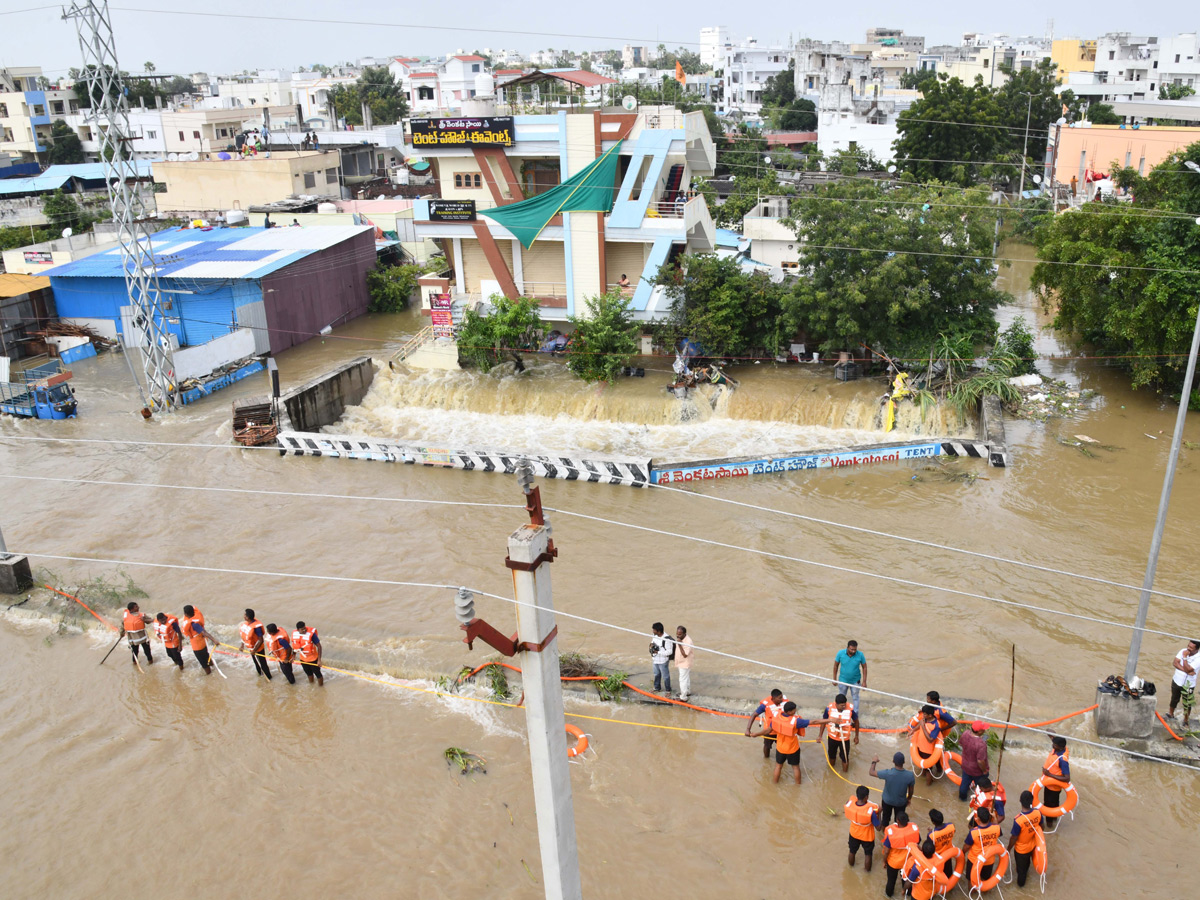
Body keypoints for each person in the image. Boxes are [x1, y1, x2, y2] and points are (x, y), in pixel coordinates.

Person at [748, 701, 829, 784]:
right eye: (794, 710)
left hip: (780, 748)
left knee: (778, 766)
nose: (795, 711)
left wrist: (756, 734)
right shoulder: (796, 721)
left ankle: (774, 783)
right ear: (789, 712)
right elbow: (814, 722)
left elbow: (768, 730)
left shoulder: (776, 717)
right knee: (795, 767)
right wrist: (831, 720)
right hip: (792, 749)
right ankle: (798, 786)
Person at [1006, 790, 1043, 888]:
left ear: (1020, 801)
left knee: (1021, 871)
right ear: (1032, 801)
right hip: (1033, 846)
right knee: (1026, 865)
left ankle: (1020, 887)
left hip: (1021, 850)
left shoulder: (1018, 820)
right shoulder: (1038, 812)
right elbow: (1041, 828)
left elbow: (1014, 837)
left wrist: (1008, 848)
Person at [881, 810, 921, 898]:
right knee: (906, 879)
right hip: (908, 862)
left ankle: (888, 896)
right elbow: (917, 843)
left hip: (894, 863)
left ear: (897, 821)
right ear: (907, 821)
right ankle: (907, 894)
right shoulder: (914, 831)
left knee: (891, 881)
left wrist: (884, 861)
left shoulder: (891, 834)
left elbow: (886, 851)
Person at [870, 752, 915, 827]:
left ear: (893, 761)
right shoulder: (910, 775)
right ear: (904, 762)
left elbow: (871, 772)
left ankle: (884, 832)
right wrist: (909, 799)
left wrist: (874, 761)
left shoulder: (888, 773)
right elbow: (911, 790)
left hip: (887, 801)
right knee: (899, 822)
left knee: (885, 820)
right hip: (901, 803)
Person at [819, 693, 860, 772]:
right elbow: (823, 722)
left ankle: (845, 774)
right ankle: (831, 772)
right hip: (832, 737)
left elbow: (857, 722)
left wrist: (856, 736)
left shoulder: (850, 710)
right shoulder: (828, 709)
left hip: (844, 738)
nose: (844, 707)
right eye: (841, 705)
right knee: (831, 756)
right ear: (836, 704)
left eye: (844, 705)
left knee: (845, 758)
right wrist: (820, 735)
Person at [962, 806, 1002, 886]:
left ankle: (972, 893)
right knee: (985, 880)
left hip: (974, 861)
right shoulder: (997, 828)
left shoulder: (973, 832)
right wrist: (995, 818)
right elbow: (998, 830)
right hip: (989, 860)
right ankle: (984, 892)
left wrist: (962, 853)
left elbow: (966, 847)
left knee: (972, 881)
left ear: (978, 819)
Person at [845, 785, 881, 871]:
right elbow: (879, 828)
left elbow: (848, 803)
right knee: (868, 854)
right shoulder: (871, 812)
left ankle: (850, 869)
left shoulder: (850, 805)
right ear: (866, 797)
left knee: (852, 851)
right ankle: (867, 872)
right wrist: (879, 813)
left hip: (854, 834)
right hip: (867, 837)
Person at [745, 689, 788, 759]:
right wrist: (748, 729)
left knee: (783, 747)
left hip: (781, 731)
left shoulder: (785, 703)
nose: (782, 699)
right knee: (767, 746)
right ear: (773, 698)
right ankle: (766, 760)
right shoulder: (764, 705)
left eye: (782, 697)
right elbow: (754, 715)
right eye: (780, 698)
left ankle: (781, 761)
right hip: (769, 731)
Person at [1168, 639, 1200, 725]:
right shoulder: (1183, 650)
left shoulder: (1198, 658)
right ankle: (1170, 714)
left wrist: (1185, 658)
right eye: (1188, 646)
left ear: (1196, 649)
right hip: (1177, 680)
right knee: (1174, 698)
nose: (1188, 648)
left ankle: (1185, 720)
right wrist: (1186, 671)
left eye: (1191, 648)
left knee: (1187, 703)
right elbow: (1175, 663)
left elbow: (1189, 668)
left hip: (1189, 685)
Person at [958, 721, 991, 801]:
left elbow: (960, 743)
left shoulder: (965, 733)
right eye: (983, 729)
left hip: (965, 765)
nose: (984, 730)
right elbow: (980, 761)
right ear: (979, 731)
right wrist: (984, 771)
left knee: (964, 783)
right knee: (980, 786)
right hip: (977, 771)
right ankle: (979, 801)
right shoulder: (981, 744)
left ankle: (962, 799)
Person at [832, 640, 867, 712]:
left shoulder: (860, 654)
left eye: (855, 649)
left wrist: (864, 682)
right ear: (847, 647)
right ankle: (840, 712)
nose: (853, 651)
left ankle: (855, 713)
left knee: (855, 697)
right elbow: (835, 666)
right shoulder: (840, 653)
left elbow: (865, 667)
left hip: (855, 681)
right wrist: (834, 679)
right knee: (841, 697)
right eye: (851, 649)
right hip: (843, 680)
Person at [912, 706, 943, 785]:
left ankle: (928, 785)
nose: (923, 715)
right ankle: (923, 779)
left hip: (927, 751)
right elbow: (920, 724)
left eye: (924, 714)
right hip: (920, 746)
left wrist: (923, 726)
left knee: (928, 769)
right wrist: (913, 731)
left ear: (930, 715)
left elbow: (930, 740)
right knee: (923, 767)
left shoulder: (936, 725)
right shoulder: (925, 719)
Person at [180, 605, 216, 675]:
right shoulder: (196, 620)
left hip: (197, 647)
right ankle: (213, 667)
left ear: (185, 614)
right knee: (206, 656)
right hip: (202, 643)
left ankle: (209, 675)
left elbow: (204, 632)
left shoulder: (193, 624)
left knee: (204, 663)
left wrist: (214, 640)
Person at [1039, 736, 1070, 812]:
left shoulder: (1063, 760)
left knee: (1050, 806)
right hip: (1048, 783)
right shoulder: (1060, 748)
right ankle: (1051, 816)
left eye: (1054, 745)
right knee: (1049, 803)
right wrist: (1051, 734)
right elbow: (1052, 735)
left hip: (1053, 788)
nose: (1052, 745)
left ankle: (1050, 819)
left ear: (1060, 747)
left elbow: (1067, 778)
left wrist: (1049, 774)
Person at [238, 609, 271, 680]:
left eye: (245, 615)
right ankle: (260, 676)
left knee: (263, 664)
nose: (243, 616)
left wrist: (254, 650)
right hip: (251, 648)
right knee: (256, 662)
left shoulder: (257, 627)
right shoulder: (246, 624)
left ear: (247, 617)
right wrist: (242, 646)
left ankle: (268, 677)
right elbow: (244, 635)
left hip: (258, 649)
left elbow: (261, 640)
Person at [120, 601, 153, 666]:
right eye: (136, 607)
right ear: (132, 609)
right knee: (147, 651)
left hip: (133, 639)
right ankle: (150, 662)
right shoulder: (141, 615)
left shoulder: (128, 616)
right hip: (142, 638)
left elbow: (122, 625)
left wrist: (121, 633)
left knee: (135, 652)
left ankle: (135, 663)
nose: (138, 607)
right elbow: (149, 621)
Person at [927, 808, 956, 879]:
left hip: (938, 857)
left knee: (939, 875)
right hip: (949, 854)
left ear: (933, 822)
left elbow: (930, 848)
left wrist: (931, 832)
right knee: (949, 873)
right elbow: (952, 832)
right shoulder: (951, 826)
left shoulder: (931, 835)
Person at [292, 621, 323, 685]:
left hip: (313, 659)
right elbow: (295, 646)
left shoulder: (312, 635)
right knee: (309, 674)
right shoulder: (295, 635)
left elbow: (319, 646)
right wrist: (293, 656)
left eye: (305, 628)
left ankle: (321, 687)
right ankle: (311, 685)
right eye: (302, 629)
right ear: (298, 630)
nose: (304, 630)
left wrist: (319, 660)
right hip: (303, 659)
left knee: (318, 674)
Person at [648, 622, 674, 694]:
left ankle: (668, 690)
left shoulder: (667, 639)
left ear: (658, 631)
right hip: (655, 659)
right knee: (656, 674)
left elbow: (670, 652)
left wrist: (658, 652)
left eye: (654, 630)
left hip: (663, 661)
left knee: (665, 676)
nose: (653, 631)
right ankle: (657, 688)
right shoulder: (654, 636)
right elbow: (652, 642)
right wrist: (651, 645)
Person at [673, 625, 693, 701]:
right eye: (677, 634)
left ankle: (683, 697)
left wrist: (679, 644)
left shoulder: (688, 641)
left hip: (685, 663)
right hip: (680, 662)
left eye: (680, 634)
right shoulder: (680, 638)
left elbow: (685, 655)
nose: (678, 636)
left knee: (682, 680)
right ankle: (687, 692)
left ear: (684, 634)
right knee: (686, 677)